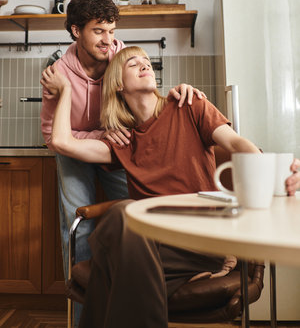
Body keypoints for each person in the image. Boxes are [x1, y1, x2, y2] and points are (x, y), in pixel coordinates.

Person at [41, 46, 260, 328]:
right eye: (133, 63)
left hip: (202, 241)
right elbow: (61, 143)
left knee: (115, 238)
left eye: (146, 61)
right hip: (155, 247)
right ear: (118, 85)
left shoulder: (189, 105)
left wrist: (271, 178)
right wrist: (67, 91)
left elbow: (237, 144)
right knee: (123, 221)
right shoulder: (125, 143)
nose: (144, 65)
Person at [40, 0, 205, 279]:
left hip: (119, 146)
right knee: (78, 225)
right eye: (99, 31)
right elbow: (52, 137)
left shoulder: (122, 58)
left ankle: (150, 290)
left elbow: (144, 102)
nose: (108, 40)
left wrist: (176, 94)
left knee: (143, 211)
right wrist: (101, 134)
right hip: (76, 152)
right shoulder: (57, 75)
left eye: (112, 31)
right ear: (76, 31)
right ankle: (83, 319)